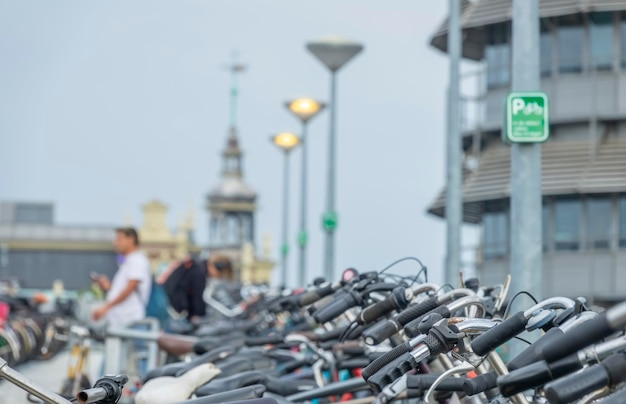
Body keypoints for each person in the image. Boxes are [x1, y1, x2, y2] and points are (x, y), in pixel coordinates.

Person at [92, 227, 151, 328]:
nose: (116, 243)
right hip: (122, 322)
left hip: (130, 322)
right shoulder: (129, 262)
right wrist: (109, 287)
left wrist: (106, 308)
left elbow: (130, 288)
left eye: (119, 239)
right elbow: (125, 289)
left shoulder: (137, 261)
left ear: (131, 239)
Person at [162, 256, 206, 321]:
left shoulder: (180, 272)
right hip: (185, 310)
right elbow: (198, 294)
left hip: (174, 308)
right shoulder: (196, 272)